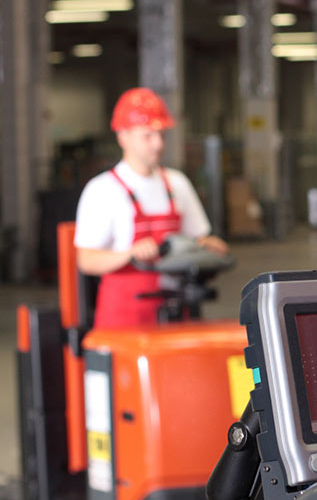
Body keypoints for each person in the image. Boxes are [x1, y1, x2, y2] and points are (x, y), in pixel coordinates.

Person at [74, 87, 228, 329]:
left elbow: (199, 239)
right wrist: (129, 254)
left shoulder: (177, 183)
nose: (158, 144)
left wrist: (210, 247)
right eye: (148, 136)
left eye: (161, 135)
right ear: (123, 136)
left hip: (176, 314)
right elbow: (86, 260)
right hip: (124, 321)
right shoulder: (103, 190)